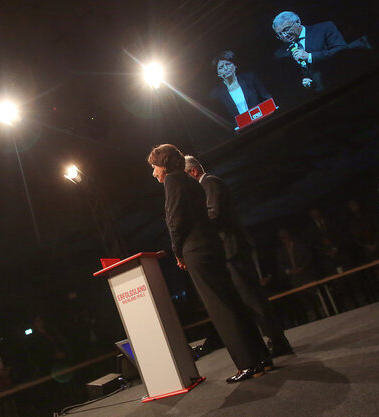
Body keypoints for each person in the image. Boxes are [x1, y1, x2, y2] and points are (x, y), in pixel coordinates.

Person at [148, 144, 269, 383]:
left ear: (163, 164)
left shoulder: (172, 181)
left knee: (220, 307)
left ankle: (247, 363)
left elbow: (175, 221)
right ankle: (261, 357)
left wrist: (177, 253)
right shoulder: (190, 180)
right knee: (232, 301)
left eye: (154, 167)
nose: (153, 173)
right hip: (211, 245)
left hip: (196, 249)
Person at [184, 156, 293, 357]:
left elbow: (214, 214)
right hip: (229, 249)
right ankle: (272, 340)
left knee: (253, 298)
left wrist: (197, 229)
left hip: (233, 248)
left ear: (192, 172)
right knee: (248, 298)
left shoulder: (210, 183)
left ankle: (278, 341)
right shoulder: (209, 184)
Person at [271, 11, 369, 91]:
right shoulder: (281, 53)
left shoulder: (324, 29)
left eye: (286, 29)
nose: (285, 36)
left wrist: (310, 57)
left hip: (341, 84)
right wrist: (302, 80)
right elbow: (287, 80)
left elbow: (342, 51)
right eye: (280, 34)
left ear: (298, 22)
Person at [208, 51, 272, 122]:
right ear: (218, 73)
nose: (226, 68)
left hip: (263, 120)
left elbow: (266, 98)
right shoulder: (217, 93)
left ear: (235, 65)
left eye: (228, 64)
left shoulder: (250, 78)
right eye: (221, 67)